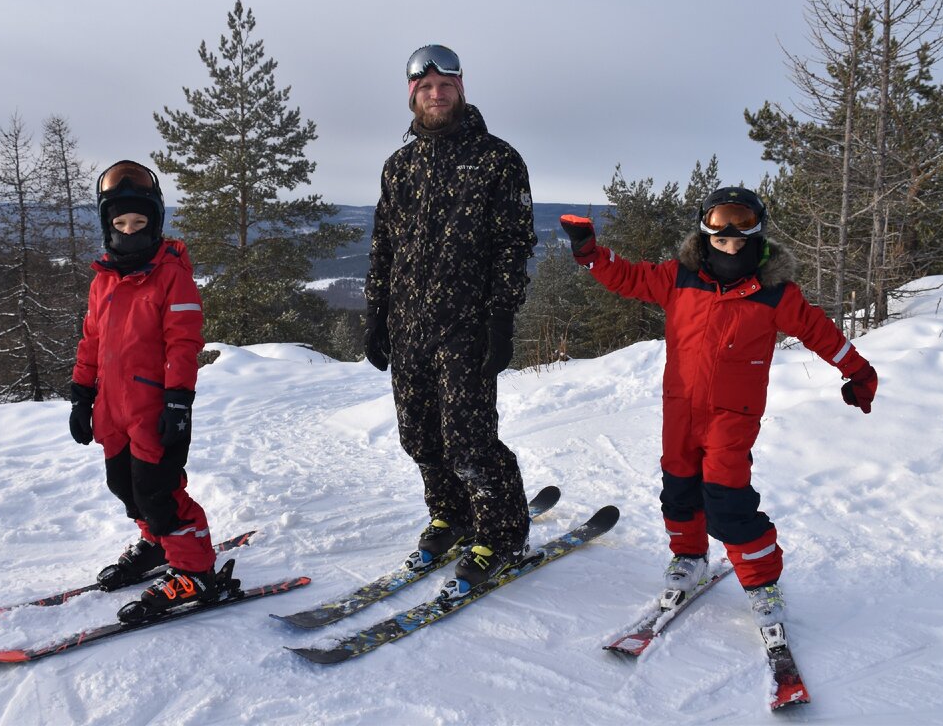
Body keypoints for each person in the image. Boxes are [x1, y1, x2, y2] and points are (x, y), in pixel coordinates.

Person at [559, 187, 878, 640]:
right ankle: (688, 556)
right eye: (720, 236)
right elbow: (626, 277)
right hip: (681, 406)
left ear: (757, 233)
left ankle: (763, 583)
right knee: (679, 485)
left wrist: (859, 371)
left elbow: (820, 333)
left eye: (740, 236)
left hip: (734, 413)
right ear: (705, 231)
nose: (730, 244)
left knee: (727, 500)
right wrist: (590, 254)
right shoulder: (680, 277)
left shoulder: (775, 293)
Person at [364, 44, 539, 597]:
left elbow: (514, 245)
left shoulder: (498, 159)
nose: (436, 95)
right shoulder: (400, 166)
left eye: (446, 86)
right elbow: (384, 244)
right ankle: (451, 514)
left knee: (470, 441)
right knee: (419, 436)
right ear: (411, 94)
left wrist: (501, 321)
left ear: (461, 89)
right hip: (408, 326)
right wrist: (375, 314)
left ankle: (502, 531)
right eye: (425, 88)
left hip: (467, 326)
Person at [69, 159, 228, 621]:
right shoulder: (104, 281)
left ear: (155, 223)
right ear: (107, 226)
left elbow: (184, 342)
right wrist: (81, 395)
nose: (129, 231)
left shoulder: (171, 276)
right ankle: (156, 544)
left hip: (155, 406)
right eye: (119, 223)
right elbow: (91, 342)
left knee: (158, 491)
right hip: (112, 409)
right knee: (123, 484)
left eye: (139, 223)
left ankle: (195, 570)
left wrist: (179, 400)